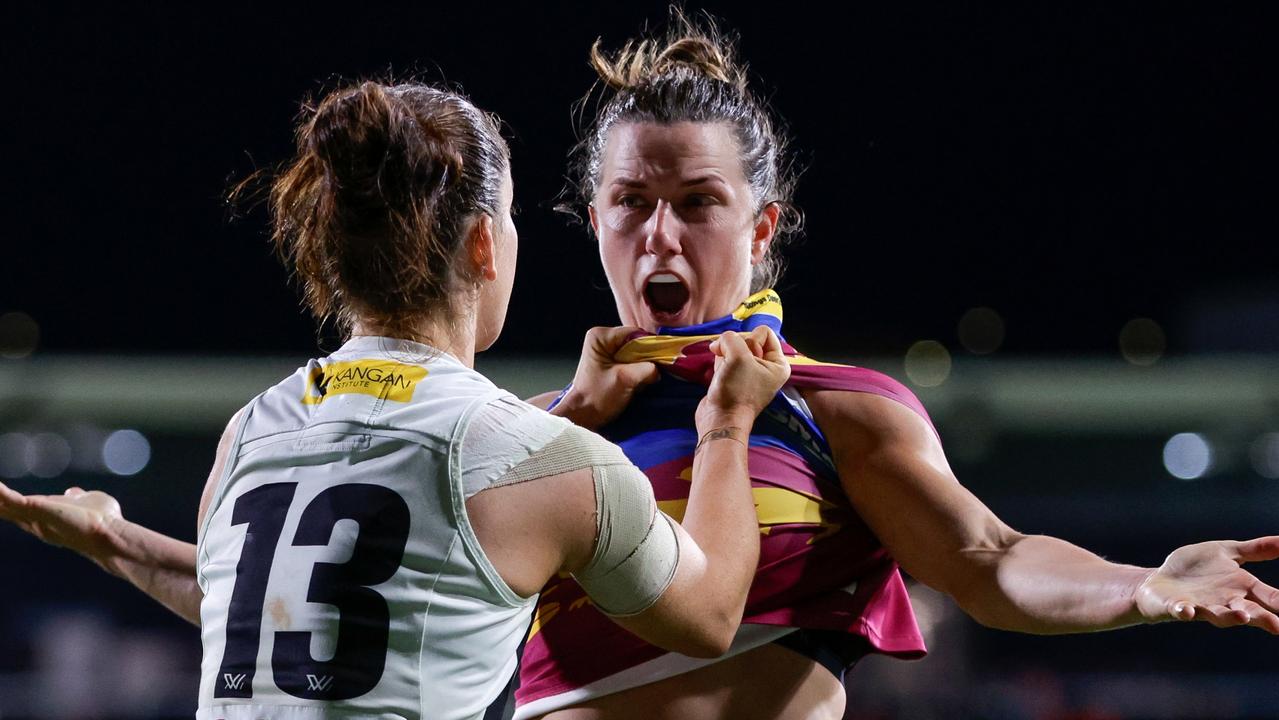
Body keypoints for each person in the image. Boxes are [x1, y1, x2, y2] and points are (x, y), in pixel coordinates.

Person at [506, 16, 1279, 720]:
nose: (660, 235)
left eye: (698, 202)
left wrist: (1141, 585)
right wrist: (565, 424)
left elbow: (989, 558)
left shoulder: (832, 407)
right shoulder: (530, 430)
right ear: (595, 217)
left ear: (761, 229)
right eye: (631, 201)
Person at [0, 79, 792, 719]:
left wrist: (112, 540)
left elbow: (256, 608)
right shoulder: (550, 463)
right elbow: (711, 613)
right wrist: (726, 420)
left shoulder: (254, 430)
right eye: (511, 219)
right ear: (484, 242)